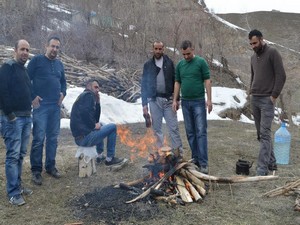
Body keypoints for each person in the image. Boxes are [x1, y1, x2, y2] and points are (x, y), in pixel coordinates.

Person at [28, 36, 67, 185]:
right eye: (52, 46)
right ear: (46, 46)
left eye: (57, 47)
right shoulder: (37, 61)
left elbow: (63, 82)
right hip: (41, 107)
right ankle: (36, 171)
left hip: (55, 107)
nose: (55, 49)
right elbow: (26, 79)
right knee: (38, 139)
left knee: (52, 138)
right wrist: (32, 97)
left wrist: (63, 93)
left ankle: (50, 166)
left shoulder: (59, 64)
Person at [248, 29, 286, 176]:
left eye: (255, 43)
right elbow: (253, 76)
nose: (253, 46)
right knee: (260, 134)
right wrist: (250, 91)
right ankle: (272, 162)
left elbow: (281, 75)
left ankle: (262, 169)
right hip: (255, 98)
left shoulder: (273, 53)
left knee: (264, 134)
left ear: (262, 39)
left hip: (267, 100)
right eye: (251, 44)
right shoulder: (252, 58)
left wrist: (274, 95)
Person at [0, 40, 33, 205]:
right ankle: (13, 193)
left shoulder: (23, 69)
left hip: (26, 117)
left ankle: (18, 186)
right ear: (15, 50)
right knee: (13, 155)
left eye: (27, 50)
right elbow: (2, 91)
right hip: (13, 119)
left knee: (20, 154)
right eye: (22, 49)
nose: (25, 52)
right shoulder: (8, 67)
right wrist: (10, 115)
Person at [172, 40, 212, 174]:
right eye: (184, 54)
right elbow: (177, 82)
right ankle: (195, 159)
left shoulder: (201, 62)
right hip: (185, 102)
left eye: (188, 53)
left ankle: (204, 163)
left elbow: (207, 80)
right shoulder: (180, 65)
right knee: (190, 132)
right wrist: (175, 99)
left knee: (201, 132)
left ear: (193, 49)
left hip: (199, 101)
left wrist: (209, 100)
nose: (186, 57)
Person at [70, 79, 126, 166]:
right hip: (84, 138)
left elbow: (95, 119)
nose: (98, 90)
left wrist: (98, 103)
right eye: (95, 87)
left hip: (80, 137)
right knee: (113, 127)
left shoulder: (85, 96)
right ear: (89, 86)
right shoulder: (88, 95)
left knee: (101, 125)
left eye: (98, 88)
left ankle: (99, 156)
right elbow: (85, 113)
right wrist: (93, 126)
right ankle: (110, 159)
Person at [141, 41, 183, 153]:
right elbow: (144, 85)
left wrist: (177, 99)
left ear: (163, 49)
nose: (158, 51)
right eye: (156, 49)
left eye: (160, 49)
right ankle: (160, 154)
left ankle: (178, 153)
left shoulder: (169, 63)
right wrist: (144, 104)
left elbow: (176, 81)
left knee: (173, 127)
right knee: (156, 129)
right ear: (153, 49)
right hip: (154, 100)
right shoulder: (148, 65)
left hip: (169, 100)